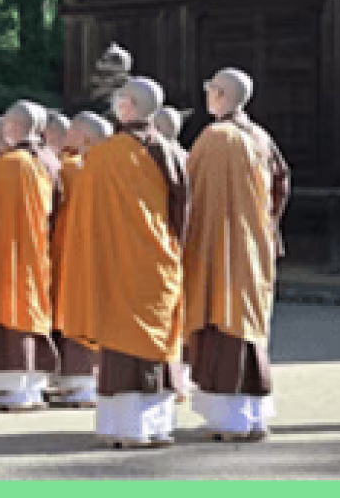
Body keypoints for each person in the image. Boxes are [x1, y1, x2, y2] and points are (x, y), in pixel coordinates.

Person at [66, 77, 189, 448]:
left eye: (120, 100)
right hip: (159, 261)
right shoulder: (168, 150)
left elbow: (85, 219)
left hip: (116, 262)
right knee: (157, 342)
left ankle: (122, 427)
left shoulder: (102, 156)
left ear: (128, 106)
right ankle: (156, 426)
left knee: (121, 341)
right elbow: (182, 209)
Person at [183, 68, 290, 442]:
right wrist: (267, 227)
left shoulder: (215, 138)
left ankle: (230, 417)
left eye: (210, 90)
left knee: (222, 321)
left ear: (221, 95)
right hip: (254, 243)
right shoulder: (260, 136)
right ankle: (253, 414)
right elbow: (281, 185)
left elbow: (188, 192)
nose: (207, 96)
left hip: (220, 244)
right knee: (247, 323)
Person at [0, 100, 61, 411]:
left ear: (14, 128)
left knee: (9, 309)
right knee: (32, 308)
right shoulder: (51, 161)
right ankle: (33, 385)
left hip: (6, 249)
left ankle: (12, 386)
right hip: (39, 248)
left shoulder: (7, 166)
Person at [47, 112, 114, 409]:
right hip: (83, 252)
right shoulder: (87, 168)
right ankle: (85, 381)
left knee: (85, 313)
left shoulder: (82, 170)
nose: (66, 135)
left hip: (89, 253)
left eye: (72, 130)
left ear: (86, 136)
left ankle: (85, 381)